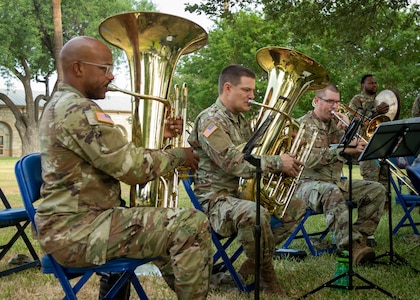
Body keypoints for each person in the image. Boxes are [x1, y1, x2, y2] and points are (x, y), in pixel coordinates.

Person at [36, 36, 212, 300]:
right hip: (78, 233)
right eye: (104, 68)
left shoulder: (64, 105)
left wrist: (160, 137)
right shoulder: (79, 110)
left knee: (165, 223)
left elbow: (108, 153)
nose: (111, 75)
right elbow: (132, 170)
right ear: (78, 68)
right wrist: (178, 155)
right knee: (192, 224)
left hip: (75, 226)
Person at [188, 64, 306, 297]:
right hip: (215, 202)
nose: (252, 96)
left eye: (253, 91)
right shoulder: (210, 121)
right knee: (256, 214)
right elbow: (233, 162)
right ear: (228, 88)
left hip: (239, 196)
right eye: (247, 90)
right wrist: (277, 162)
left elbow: (253, 155)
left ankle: (253, 263)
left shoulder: (240, 119)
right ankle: (265, 273)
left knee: (297, 206)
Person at [294, 83, 386, 265]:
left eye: (337, 102)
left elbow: (351, 156)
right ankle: (350, 246)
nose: (335, 107)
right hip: (306, 186)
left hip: (334, 183)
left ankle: (361, 239)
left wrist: (350, 134)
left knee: (377, 189)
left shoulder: (336, 127)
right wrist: (343, 149)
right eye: (330, 102)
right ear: (316, 101)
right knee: (330, 191)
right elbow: (308, 160)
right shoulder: (301, 125)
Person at [348, 74, 389, 188]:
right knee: (371, 181)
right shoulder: (357, 99)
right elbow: (354, 118)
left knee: (385, 180)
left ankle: (385, 205)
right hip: (367, 145)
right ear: (363, 85)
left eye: (375, 83)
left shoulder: (381, 99)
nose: (374, 85)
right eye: (371, 83)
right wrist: (375, 111)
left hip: (382, 144)